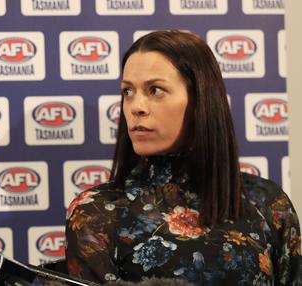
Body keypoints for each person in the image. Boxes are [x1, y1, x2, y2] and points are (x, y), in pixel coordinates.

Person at [65, 30, 301, 285]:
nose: (136, 107)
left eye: (155, 90)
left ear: (201, 100)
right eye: (127, 91)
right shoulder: (95, 213)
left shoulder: (268, 204)